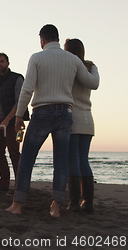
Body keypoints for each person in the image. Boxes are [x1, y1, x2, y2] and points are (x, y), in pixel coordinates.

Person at [6, 24, 99, 217]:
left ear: (42, 39)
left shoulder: (37, 57)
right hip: (66, 113)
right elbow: (91, 82)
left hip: (42, 112)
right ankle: (55, 207)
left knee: (27, 160)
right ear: (58, 38)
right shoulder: (72, 59)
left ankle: (17, 205)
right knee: (61, 162)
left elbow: (27, 89)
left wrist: (18, 116)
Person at [0, 53, 29, 196]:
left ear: (8, 63)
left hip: (12, 122)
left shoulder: (17, 78)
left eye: (2, 61)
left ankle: (19, 186)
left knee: (14, 153)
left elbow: (20, 102)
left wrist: (7, 119)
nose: (0, 64)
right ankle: (4, 184)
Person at [64, 38, 99, 214]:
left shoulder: (68, 68)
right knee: (83, 159)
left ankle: (74, 203)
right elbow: (95, 84)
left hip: (72, 117)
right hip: (88, 118)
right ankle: (88, 203)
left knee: (73, 160)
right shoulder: (91, 67)